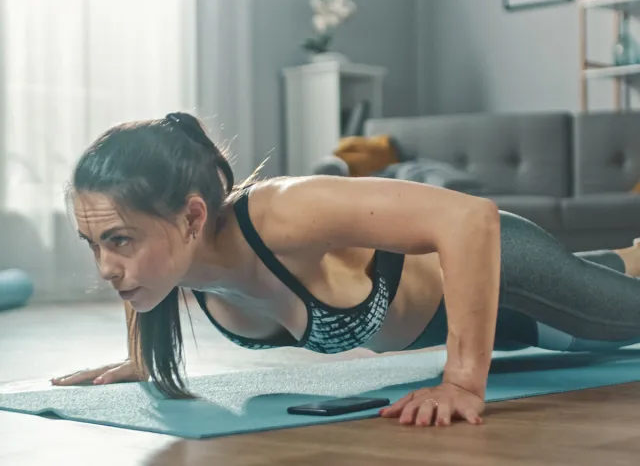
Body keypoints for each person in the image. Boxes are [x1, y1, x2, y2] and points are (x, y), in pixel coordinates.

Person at [51, 112, 640, 428]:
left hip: (512, 278)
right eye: (92, 243)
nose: (108, 268)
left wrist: (462, 381)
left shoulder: (283, 213)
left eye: (119, 240)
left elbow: (470, 219)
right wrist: (140, 358)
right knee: (622, 270)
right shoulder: (164, 261)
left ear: (191, 217)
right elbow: (138, 273)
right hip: (482, 317)